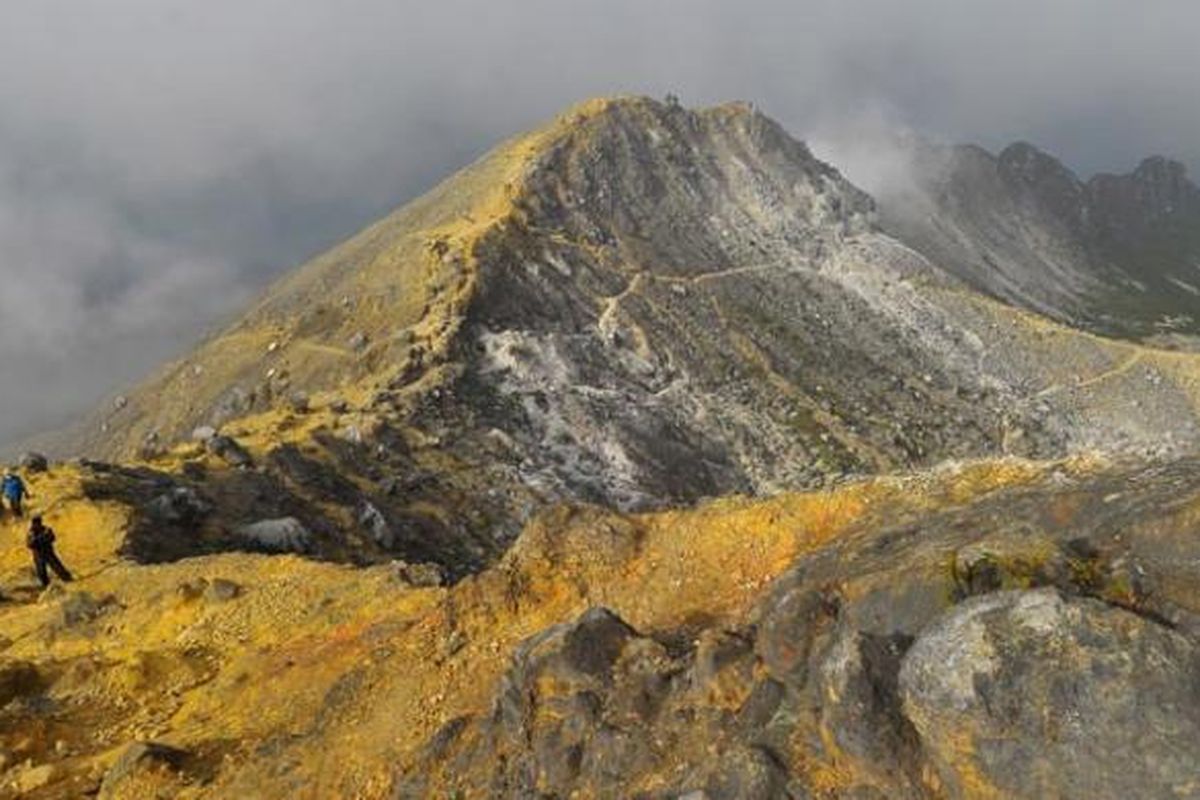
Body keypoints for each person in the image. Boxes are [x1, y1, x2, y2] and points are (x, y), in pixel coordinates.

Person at [26, 516, 72, 588]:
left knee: (58, 567)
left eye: (38, 523)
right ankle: (45, 586)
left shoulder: (46, 529)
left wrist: (42, 539)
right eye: (35, 523)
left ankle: (67, 579)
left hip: (48, 553)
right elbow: (30, 544)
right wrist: (40, 539)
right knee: (42, 572)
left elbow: (52, 538)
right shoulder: (31, 533)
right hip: (39, 555)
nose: (37, 525)